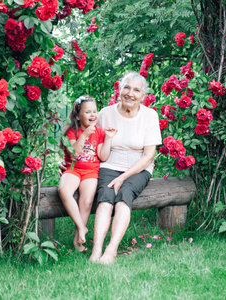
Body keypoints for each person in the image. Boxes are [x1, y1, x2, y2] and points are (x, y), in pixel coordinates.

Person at [88, 72, 162, 264]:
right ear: (119, 90)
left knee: (123, 196)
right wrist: (70, 160)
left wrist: (123, 178)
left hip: (138, 168)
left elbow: (148, 156)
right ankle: (96, 252)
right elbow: (91, 141)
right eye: (126, 88)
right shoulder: (105, 113)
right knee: (105, 198)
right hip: (109, 164)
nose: (130, 93)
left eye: (136, 90)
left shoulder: (150, 116)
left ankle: (111, 251)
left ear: (143, 96)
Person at [58, 95, 117, 252]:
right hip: (73, 168)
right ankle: (81, 227)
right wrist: (84, 135)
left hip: (91, 170)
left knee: (86, 201)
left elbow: (103, 156)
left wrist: (109, 139)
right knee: (64, 190)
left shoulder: (99, 132)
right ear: (77, 116)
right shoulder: (72, 132)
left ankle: (78, 242)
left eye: (94, 111)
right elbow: (75, 154)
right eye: (87, 112)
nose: (92, 115)